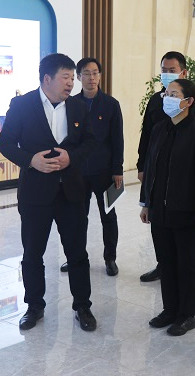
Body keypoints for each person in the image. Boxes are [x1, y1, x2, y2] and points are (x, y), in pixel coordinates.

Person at [0, 53, 98, 332]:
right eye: (65, 78)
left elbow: (90, 141)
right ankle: (34, 306)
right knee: (33, 253)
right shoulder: (22, 105)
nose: (71, 83)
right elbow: (5, 144)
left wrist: (71, 157)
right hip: (35, 194)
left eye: (72, 78)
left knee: (77, 253)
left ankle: (83, 306)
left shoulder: (78, 107)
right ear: (47, 79)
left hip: (71, 193)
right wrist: (31, 160)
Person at [139, 78, 195, 336]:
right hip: (159, 210)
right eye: (167, 94)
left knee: (187, 264)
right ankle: (170, 309)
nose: (168, 98)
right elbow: (150, 168)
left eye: (174, 94)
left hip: (186, 210)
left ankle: (187, 314)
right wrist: (146, 203)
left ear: (188, 101)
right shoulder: (159, 129)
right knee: (166, 261)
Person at [137, 51, 195, 283]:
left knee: (186, 244)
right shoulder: (156, 100)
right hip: (159, 173)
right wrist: (142, 165)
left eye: (172, 70)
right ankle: (164, 265)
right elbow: (146, 135)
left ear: (183, 72)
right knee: (162, 234)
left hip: (185, 177)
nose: (166, 74)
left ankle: (190, 266)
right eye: (164, 70)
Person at [58, 57, 124, 276]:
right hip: (77, 171)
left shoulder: (111, 104)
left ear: (100, 76)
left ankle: (110, 258)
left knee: (109, 216)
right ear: (78, 77)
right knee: (77, 217)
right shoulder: (70, 104)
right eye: (86, 73)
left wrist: (118, 170)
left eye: (95, 73)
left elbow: (117, 139)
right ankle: (76, 257)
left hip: (105, 171)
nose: (91, 77)